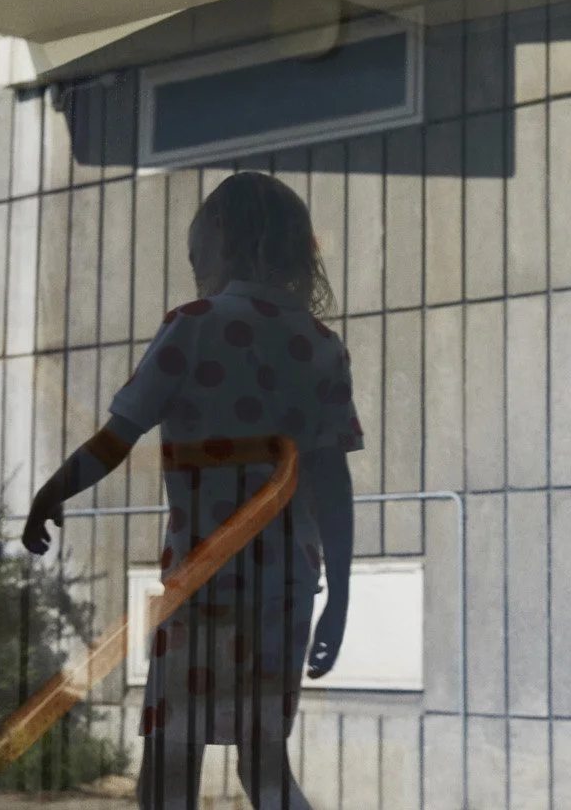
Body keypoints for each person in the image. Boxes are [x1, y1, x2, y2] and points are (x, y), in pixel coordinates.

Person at [22, 172, 362, 810]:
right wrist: (339, 594)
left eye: (196, 253)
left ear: (225, 244)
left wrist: (53, 491)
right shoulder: (321, 347)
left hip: (203, 581)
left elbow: (117, 437)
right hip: (286, 588)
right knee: (265, 766)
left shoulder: (193, 325)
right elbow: (331, 482)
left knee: (170, 761)